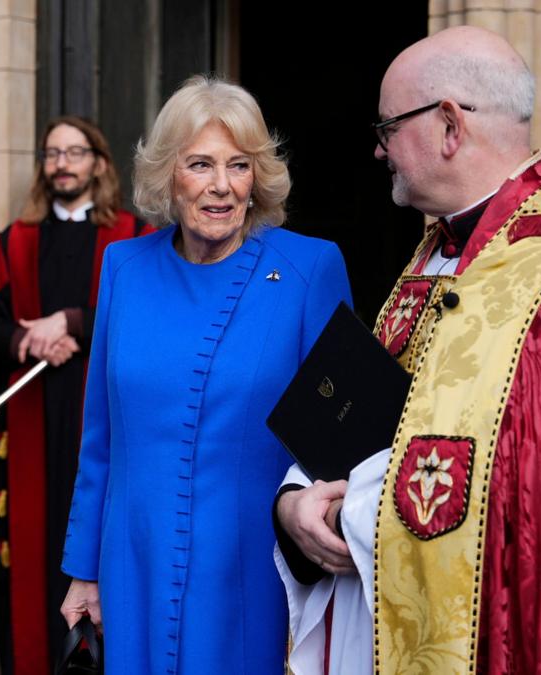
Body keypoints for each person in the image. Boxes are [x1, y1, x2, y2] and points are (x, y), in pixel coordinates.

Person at [273, 26, 541, 674]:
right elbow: (361, 418)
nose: (379, 151)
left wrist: (355, 513)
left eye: (386, 128)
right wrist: (292, 504)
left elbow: (540, 505)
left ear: (449, 126)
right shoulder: (431, 257)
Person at [58, 75, 351, 674]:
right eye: (200, 164)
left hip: (251, 568)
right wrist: (84, 570)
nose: (221, 186)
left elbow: (342, 440)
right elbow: (100, 438)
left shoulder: (309, 268)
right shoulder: (124, 266)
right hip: (133, 560)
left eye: (238, 166)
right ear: (168, 174)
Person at [0, 116, 151, 673]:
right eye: (52, 153)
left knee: (106, 541)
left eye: (74, 152)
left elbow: (160, 315)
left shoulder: (134, 237)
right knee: (38, 547)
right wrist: (29, 339)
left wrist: (73, 323)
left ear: (99, 163)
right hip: (31, 421)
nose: (62, 163)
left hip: (106, 421)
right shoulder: (14, 243)